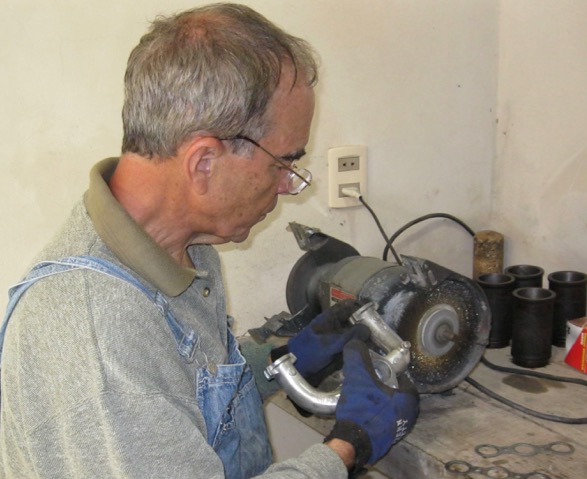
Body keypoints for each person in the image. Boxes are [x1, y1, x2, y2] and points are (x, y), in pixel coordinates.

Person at [0, 3, 419, 478]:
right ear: (203, 162)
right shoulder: (98, 336)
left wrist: (278, 359)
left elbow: (185, 397)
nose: (288, 185)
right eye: (283, 163)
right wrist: (348, 449)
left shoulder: (184, 246)